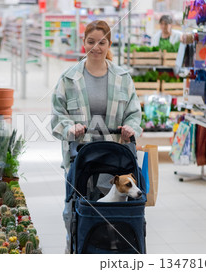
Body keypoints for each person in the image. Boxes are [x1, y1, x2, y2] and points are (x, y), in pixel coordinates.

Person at [50, 20, 143, 253]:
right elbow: (57, 115)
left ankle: (114, 251)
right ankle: (78, 247)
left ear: (109, 44)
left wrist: (131, 128)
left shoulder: (123, 77)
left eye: (102, 42)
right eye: (91, 42)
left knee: (115, 212)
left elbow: (134, 113)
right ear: (83, 43)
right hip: (81, 156)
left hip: (115, 156)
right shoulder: (68, 78)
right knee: (75, 208)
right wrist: (70, 128)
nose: (96, 47)